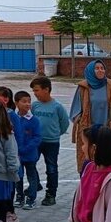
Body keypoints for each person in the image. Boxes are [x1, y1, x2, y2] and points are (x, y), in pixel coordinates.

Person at [72, 60, 111, 171]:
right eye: (97, 68)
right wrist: (81, 121)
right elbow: (75, 111)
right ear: (90, 71)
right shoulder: (83, 87)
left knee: (107, 160)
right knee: (88, 159)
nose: (100, 71)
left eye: (102, 68)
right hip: (89, 131)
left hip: (108, 130)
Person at [30, 75, 69, 206]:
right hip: (36, 141)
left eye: (37, 90)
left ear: (46, 89)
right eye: (33, 91)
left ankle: (51, 194)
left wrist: (56, 134)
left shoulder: (57, 107)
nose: (35, 93)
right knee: (30, 163)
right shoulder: (35, 106)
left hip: (52, 142)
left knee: (51, 168)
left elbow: (64, 123)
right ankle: (35, 184)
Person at [13, 90, 43, 210]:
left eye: (29, 101)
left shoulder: (34, 120)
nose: (27, 104)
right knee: (18, 177)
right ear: (16, 103)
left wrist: (25, 148)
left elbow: (37, 137)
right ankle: (19, 196)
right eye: (24, 101)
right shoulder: (14, 119)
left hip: (29, 154)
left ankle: (31, 198)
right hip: (17, 155)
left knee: (31, 176)